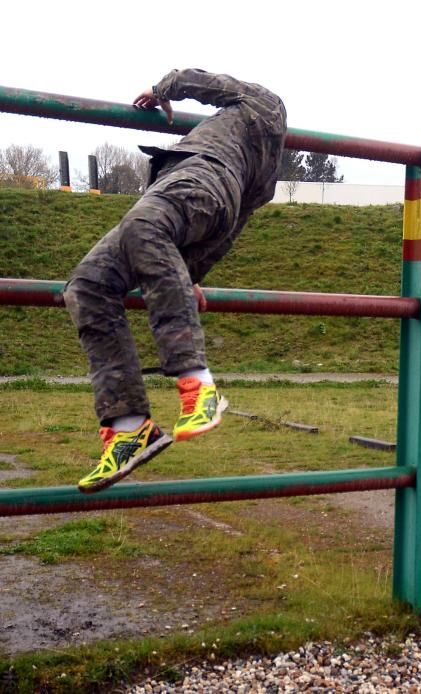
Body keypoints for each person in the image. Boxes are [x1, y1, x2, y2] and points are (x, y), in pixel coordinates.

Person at [62, 69, 288, 493]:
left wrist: (160, 91)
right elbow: (229, 232)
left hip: (200, 178)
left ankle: (197, 385)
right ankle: (130, 427)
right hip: (195, 206)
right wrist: (189, 275)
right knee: (88, 285)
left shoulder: (265, 101)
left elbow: (197, 80)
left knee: (143, 225)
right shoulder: (267, 174)